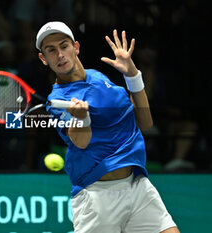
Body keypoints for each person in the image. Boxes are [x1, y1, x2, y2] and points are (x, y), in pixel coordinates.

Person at [36, 22, 179, 233]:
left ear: (76, 47)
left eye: (64, 46)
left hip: (137, 186)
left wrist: (133, 76)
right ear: (43, 59)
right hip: (97, 197)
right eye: (51, 50)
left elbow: (146, 123)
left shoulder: (100, 77)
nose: (59, 54)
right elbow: (81, 141)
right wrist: (81, 118)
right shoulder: (58, 100)